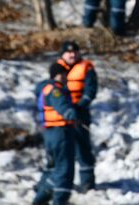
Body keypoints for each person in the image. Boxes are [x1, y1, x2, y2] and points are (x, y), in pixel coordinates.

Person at [52, 40, 97, 192]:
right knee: (61, 150)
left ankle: (87, 182)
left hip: (80, 113)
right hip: (60, 116)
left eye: (75, 51)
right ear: (62, 54)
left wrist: (79, 107)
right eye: (68, 52)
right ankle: (58, 183)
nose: (72, 54)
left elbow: (90, 91)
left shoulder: (86, 68)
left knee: (82, 147)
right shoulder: (56, 69)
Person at [33, 64, 76, 205]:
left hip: (50, 134)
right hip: (60, 133)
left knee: (53, 167)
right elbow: (61, 105)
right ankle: (60, 200)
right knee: (64, 168)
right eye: (63, 74)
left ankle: (41, 197)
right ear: (56, 75)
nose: (65, 77)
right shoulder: (55, 90)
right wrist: (70, 113)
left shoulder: (46, 88)